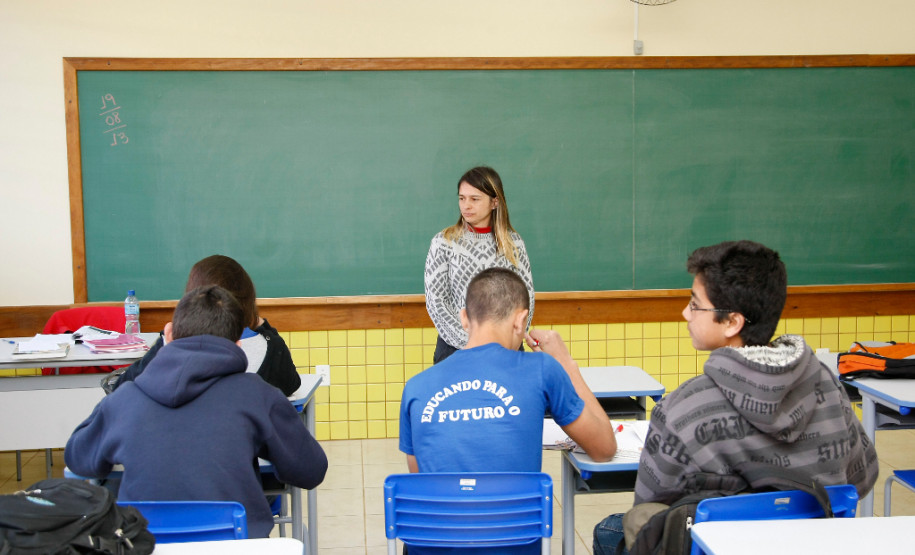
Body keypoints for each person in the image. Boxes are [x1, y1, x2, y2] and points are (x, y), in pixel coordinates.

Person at [592, 240, 879, 555]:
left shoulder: (683, 408)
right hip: (810, 545)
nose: (685, 312)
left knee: (609, 531)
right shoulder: (825, 382)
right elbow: (863, 479)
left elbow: (648, 510)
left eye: (695, 304)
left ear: (732, 322)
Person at [65, 285, 327, 539]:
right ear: (238, 345)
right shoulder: (259, 396)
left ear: (168, 335)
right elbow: (310, 470)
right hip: (236, 544)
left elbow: (79, 460)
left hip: (146, 543)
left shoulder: (125, 399)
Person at [401, 267, 616, 475]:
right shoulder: (543, 369)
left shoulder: (415, 387)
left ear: (464, 318)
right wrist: (567, 365)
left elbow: (421, 479)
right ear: (520, 321)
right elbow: (604, 449)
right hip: (520, 513)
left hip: (440, 513)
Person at [110, 254, 301, 396]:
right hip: (241, 448)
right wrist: (262, 325)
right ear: (248, 301)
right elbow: (290, 384)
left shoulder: (171, 346)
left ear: (191, 298)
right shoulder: (267, 347)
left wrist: (168, 339)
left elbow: (121, 390)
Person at [424, 166, 535, 364]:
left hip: (507, 349)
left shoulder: (514, 244)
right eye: (461, 198)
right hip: (455, 351)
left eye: (474, 199)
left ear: (495, 202)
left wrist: (508, 340)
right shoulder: (444, 242)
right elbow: (437, 301)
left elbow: (526, 298)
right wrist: (471, 343)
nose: (466, 205)